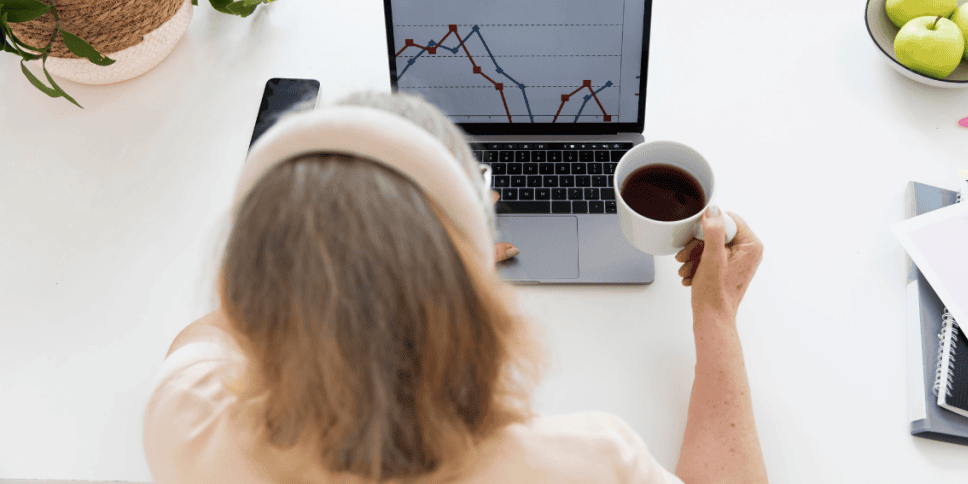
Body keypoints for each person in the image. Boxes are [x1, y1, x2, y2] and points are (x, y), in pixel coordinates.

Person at [144, 90, 767, 484]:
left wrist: (363, 262)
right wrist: (716, 316)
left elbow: (207, 333)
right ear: (470, 303)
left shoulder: (184, 418)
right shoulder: (583, 463)